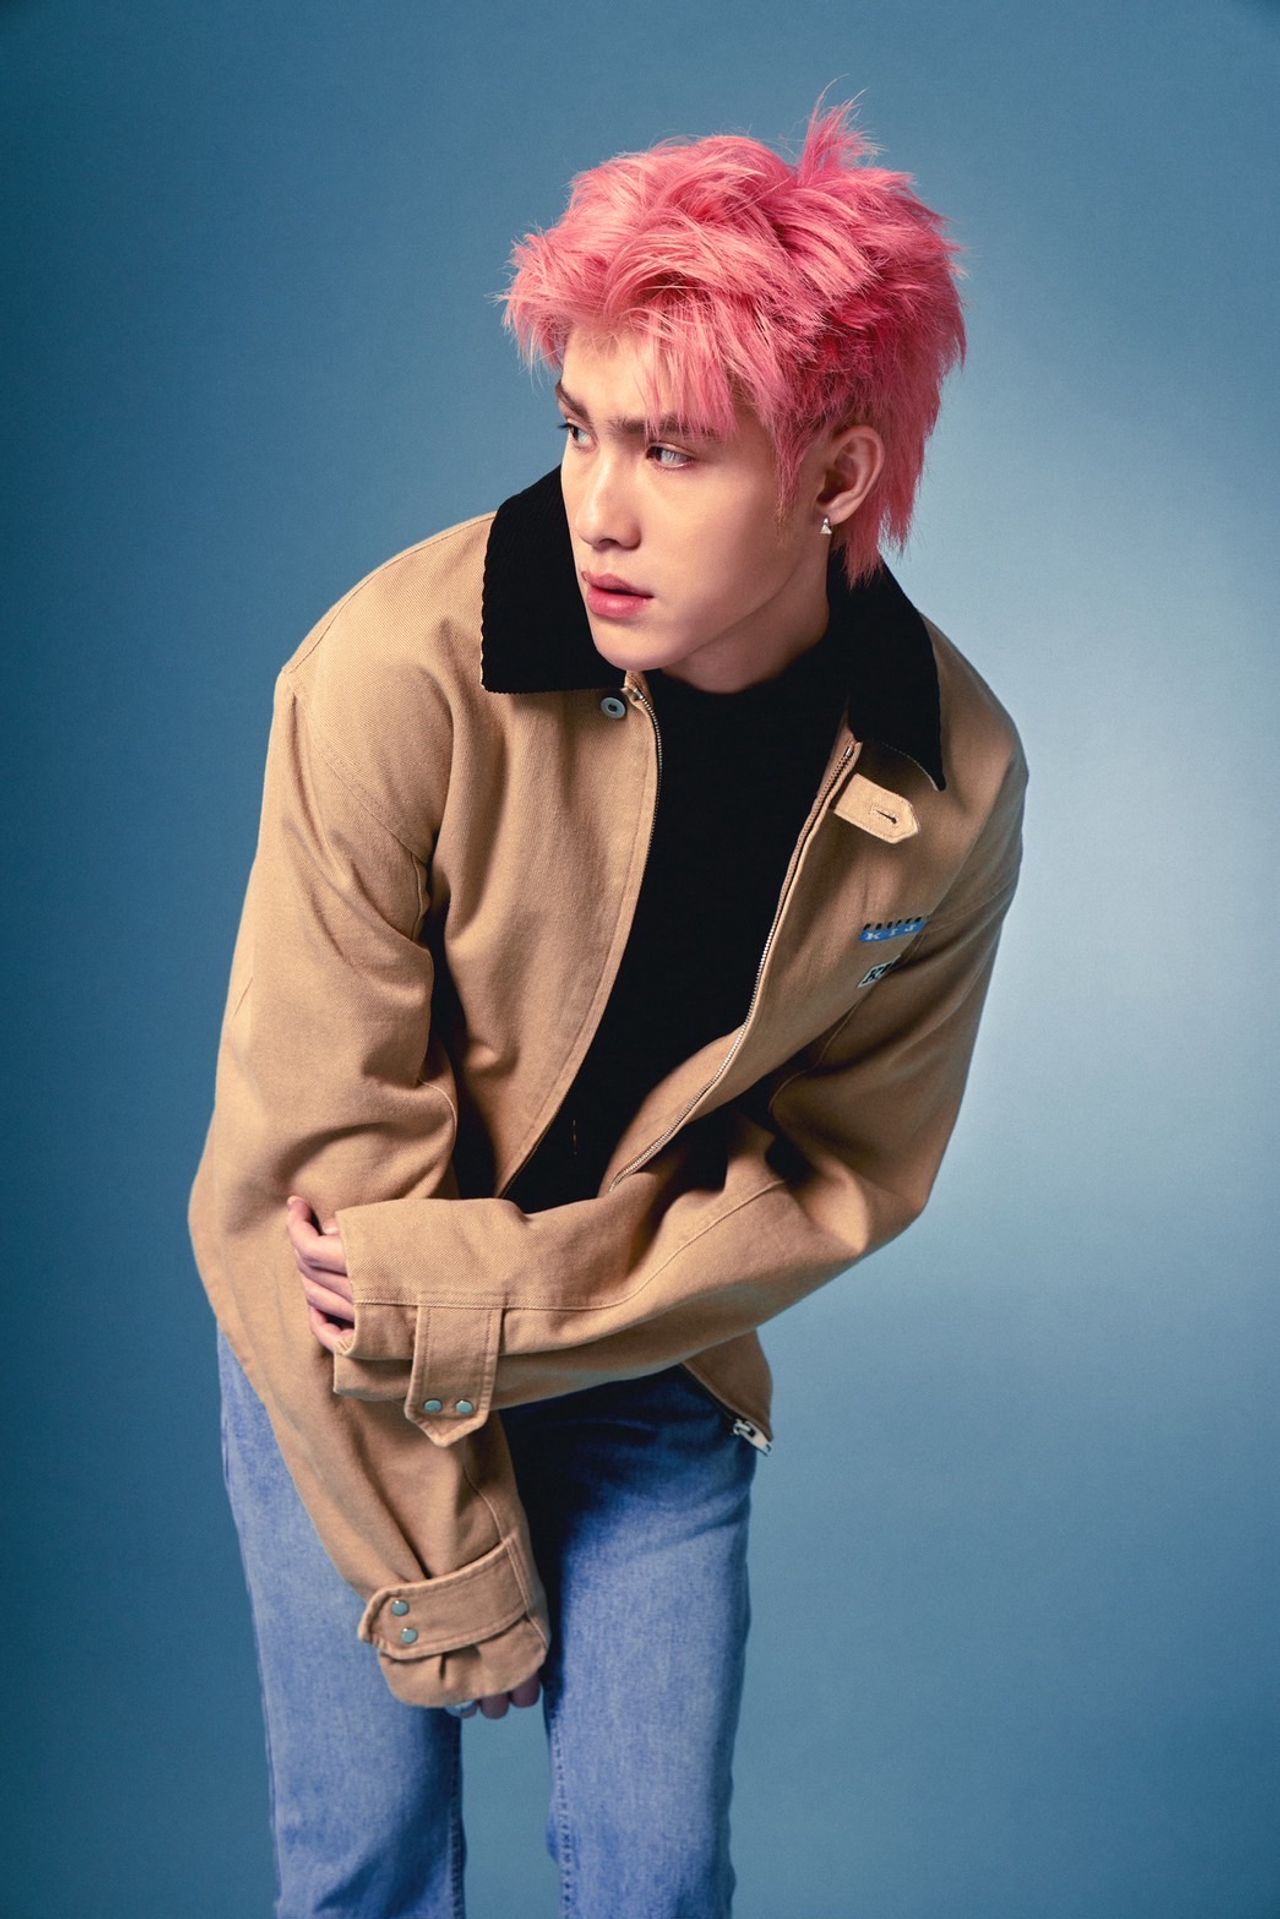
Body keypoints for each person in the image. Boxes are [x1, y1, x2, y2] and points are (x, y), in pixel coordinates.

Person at [192, 87, 1029, 1918]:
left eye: (674, 449)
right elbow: (308, 1192)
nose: (601, 507)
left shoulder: (949, 778)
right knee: (367, 1869)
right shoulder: (391, 673)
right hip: (337, 1348)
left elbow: (841, 1177)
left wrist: (510, 1298)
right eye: (579, 428)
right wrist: (457, 1572)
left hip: (639, 1343)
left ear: (833, 476)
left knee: (658, 1876)